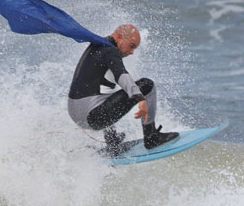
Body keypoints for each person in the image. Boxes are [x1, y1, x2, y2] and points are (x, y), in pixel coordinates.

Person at [67, 24, 179, 153]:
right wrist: (140, 97)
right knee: (147, 85)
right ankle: (151, 137)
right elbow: (121, 75)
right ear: (120, 37)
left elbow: (106, 85)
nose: (132, 52)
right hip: (92, 116)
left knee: (110, 90)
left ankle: (112, 139)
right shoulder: (111, 50)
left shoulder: (99, 45)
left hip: (75, 112)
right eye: (131, 46)